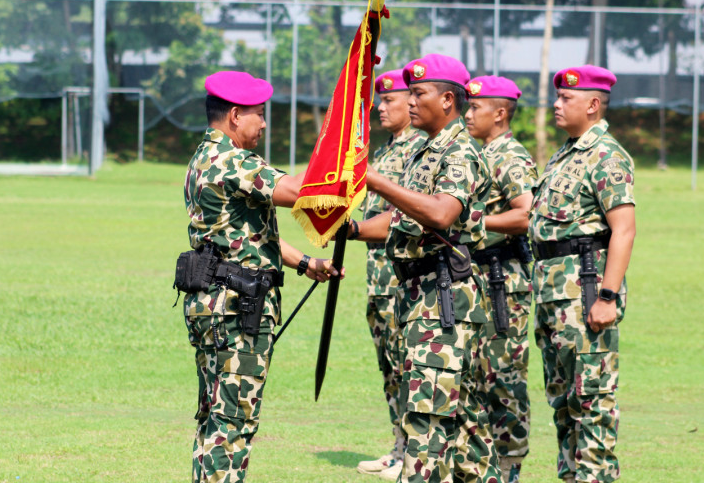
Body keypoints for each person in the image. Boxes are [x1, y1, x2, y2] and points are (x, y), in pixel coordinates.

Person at [178, 70, 340, 483]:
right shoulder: (233, 160)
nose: (264, 124)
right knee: (233, 425)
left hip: (213, 300)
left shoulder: (202, 157)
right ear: (235, 115)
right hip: (237, 308)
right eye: (259, 115)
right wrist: (340, 156)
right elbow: (303, 192)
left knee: (216, 416)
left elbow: (247, 236)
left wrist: (305, 263)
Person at [348, 54, 502, 483]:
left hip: (444, 300)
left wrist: (375, 180)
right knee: (469, 432)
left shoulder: (461, 151)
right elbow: (403, 219)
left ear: (448, 99)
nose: (409, 102)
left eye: (419, 94)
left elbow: (440, 213)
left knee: (428, 425)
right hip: (422, 297)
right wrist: (353, 229)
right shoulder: (425, 151)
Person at [528, 65, 636, 483]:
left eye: (566, 99)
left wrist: (607, 297)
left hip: (585, 296)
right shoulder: (566, 153)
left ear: (592, 104)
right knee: (564, 402)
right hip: (555, 299)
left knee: (592, 402)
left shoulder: (607, 155)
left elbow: (623, 228)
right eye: (557, 97)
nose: (556, 104)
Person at [463, 75, 537, 483]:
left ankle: (509, 467)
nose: (468, 114)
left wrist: (470, 222)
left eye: (476, 108)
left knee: (504, 377)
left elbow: (526, 214)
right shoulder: (482, 152)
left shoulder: (508, 155)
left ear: (501, 113)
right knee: (478, 374)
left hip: (501, 281)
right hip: (479, 276)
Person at [356, 69, 426, 480]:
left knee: (411, 365)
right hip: (379, 278)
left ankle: (414, 452)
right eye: (379, 101)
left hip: (404, 278)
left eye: (390, 101)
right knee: (391, 367)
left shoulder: (418, 149)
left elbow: (402, 213)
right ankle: (399, 446)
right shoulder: (387, 150)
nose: (381, 107)